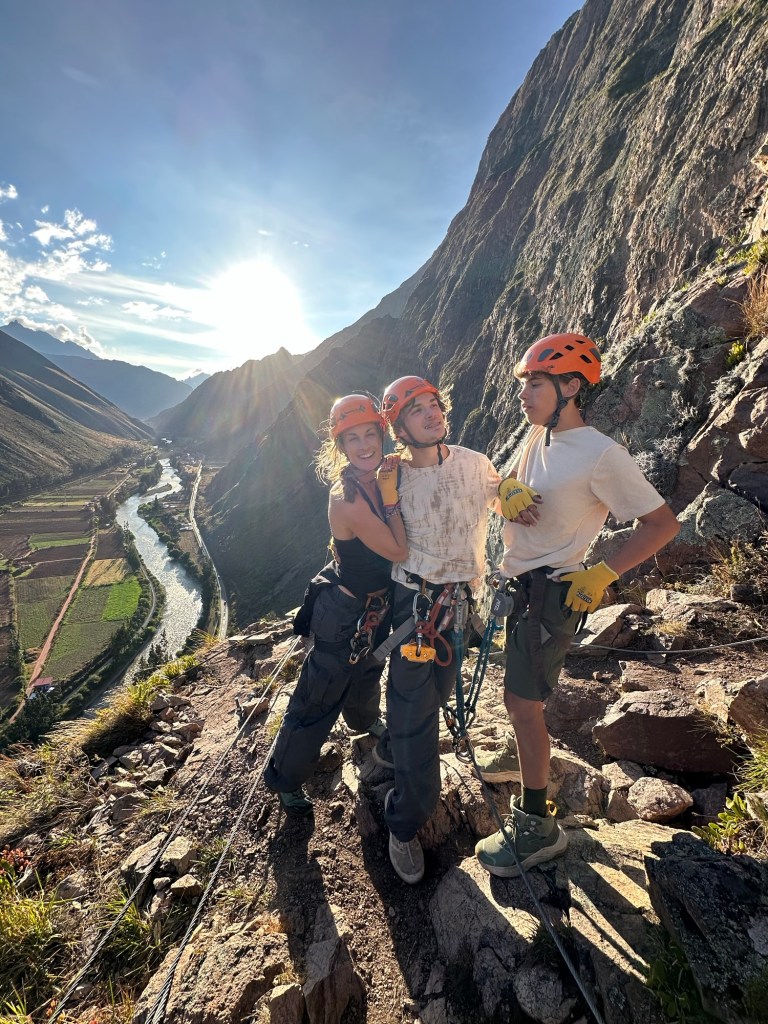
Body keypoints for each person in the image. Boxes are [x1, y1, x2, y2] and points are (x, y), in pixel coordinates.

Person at [474, 332, 680, 877]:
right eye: (525, 384)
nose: (524, 395)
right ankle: (527, 760)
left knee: (523, 704)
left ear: (570, 386)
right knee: (520, 698)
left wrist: (605, 571)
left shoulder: (602, 455)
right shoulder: (535, 437)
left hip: (553, 593)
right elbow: (500, 487)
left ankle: (538, 825)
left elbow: (661, 524)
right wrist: (503, 496)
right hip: (522, 588)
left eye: (535, 384)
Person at [378, 375, 502, 883]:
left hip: (459, 604)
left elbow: (504, 504)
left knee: (440, 696)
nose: (431, 414)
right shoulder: (394, 478)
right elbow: (385, 543)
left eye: (433, 405)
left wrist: (512, 491)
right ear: (400, 428)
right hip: (417, 608)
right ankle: (403, 821)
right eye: (417, 411)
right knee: (417, 719)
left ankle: (392, 746)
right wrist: (385, 498)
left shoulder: (475, 464)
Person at [263, 394, 407, 816]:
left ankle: (362, 722)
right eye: (352, 439)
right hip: (343, 616)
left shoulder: (381, 473)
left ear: (381, 435)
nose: (364, 445)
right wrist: (391, 494)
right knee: (317, 697)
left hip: (375, 609)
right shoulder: (346, 497)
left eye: (370, 434)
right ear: (340, 447)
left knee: (367, 669)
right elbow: (398, 549)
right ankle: (285, 780)